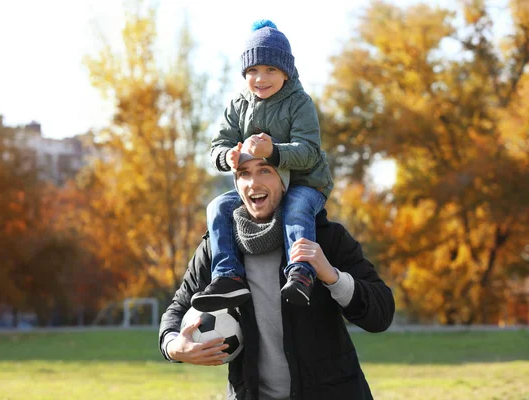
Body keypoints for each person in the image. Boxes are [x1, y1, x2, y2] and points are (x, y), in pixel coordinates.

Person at [159, 152, 395, 400]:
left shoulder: (325, 237)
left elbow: (381, 314)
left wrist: (332, 277)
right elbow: (178, 307)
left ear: (284, 181)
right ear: (237, 185)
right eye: (244, 173)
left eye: (265, 170)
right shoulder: (219, 249)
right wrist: (174, 346)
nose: (253, 183)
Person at [191, 19, 334, 312]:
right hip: (259, 187)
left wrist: (274, 151)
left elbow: (309, 151)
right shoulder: (238, 105)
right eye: (253, 70)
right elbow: (217, 145)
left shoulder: (299, 102)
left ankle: (301, 272)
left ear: (286, 71)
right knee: (217, 207)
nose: (261, 78)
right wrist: (227, 156)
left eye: (270, 69)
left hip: (305, 182)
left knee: (296, 207)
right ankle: (228, 275)